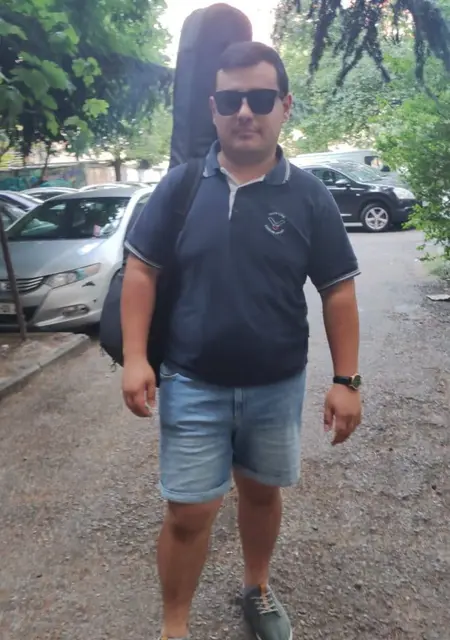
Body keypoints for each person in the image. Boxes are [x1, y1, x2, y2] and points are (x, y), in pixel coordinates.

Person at [121, 41, 362, 640]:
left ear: (285, 106)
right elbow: (142, 271)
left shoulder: (309, 195)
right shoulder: (180, 187)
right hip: (191, 381)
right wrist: (134, 358)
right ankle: (174, 627)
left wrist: (346, 380)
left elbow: (337, 291)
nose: (245, 112)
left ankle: (256, 588)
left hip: (276, 386)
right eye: (231, 100)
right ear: (214, 108)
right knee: (189, 512)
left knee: (260, 494)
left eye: (259, 98)